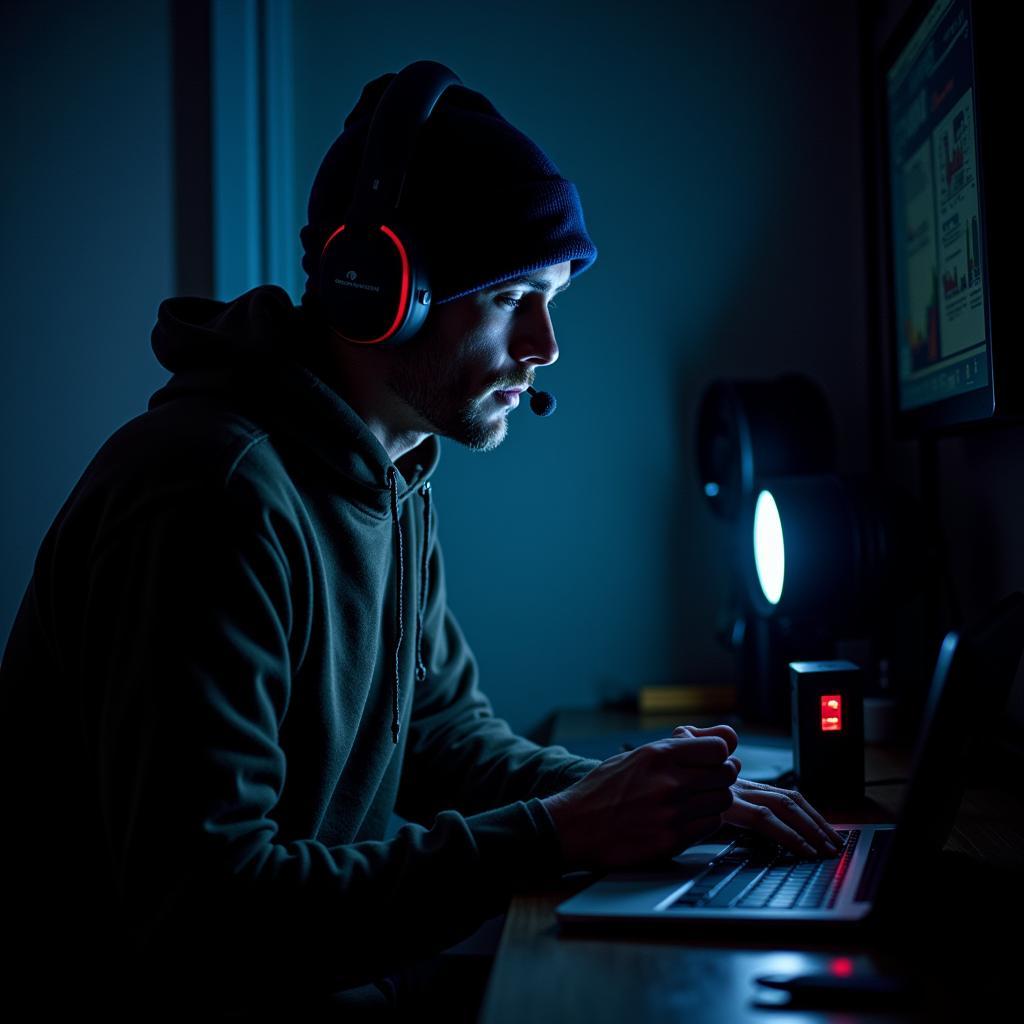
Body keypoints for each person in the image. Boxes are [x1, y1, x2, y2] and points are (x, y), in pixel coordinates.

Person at [0, 68, 841, 1019]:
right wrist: (558, 833)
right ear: (378, 289)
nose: (545, 344)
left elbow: (442, 732)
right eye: (513, 294)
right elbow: (207, 914)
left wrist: (643, 801)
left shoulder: (389, 469)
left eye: (553, 294)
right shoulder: (212, 498)